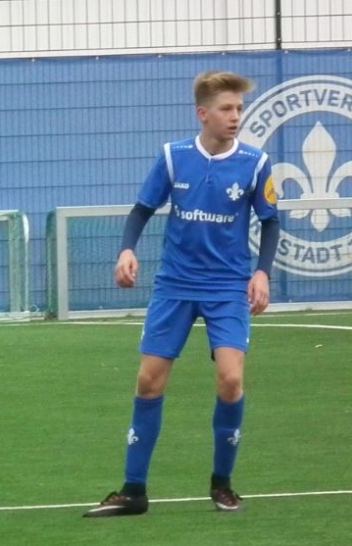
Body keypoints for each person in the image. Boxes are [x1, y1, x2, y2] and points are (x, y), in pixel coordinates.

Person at [84, 71, 281, 518]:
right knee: (149, 381)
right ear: (203, 113)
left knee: (231, 380)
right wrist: (127, 249)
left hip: (227, 287)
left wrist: (262, 273)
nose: (236, 116)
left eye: (239, 108)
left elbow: (270, 221)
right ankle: (134, 490)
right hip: (175, 284)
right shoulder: (174, 157)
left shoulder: (255, 163)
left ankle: (222, 483)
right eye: (227, 109)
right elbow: (141, 209)